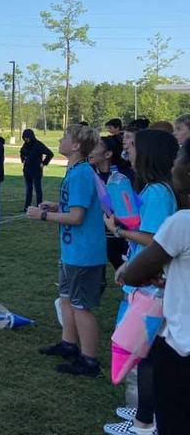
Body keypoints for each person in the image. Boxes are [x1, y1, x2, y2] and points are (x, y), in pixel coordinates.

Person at [102, 130, 178, 435]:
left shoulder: (159, 192)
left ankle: (144, 423)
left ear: (148, 152)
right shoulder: (154, 189)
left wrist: (118, 231)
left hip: (149, 288)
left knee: (144, 355)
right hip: (143, 283)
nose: (127, 151)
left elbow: (153, 240)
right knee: (144, 354)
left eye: (133, 146)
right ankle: (144, 411)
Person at [121, 139, 190, 435]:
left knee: (175, 422)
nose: (174, 165)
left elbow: (134, 273)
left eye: (179, 158)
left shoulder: (183, 222)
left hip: (181, 348)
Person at [26, 124, 105, 376]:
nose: (60, 140)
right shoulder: (75, 171)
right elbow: (73, 206)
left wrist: (42, 216)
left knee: (81, 307)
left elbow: (77, 217)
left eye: (64, 137)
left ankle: (90, 361)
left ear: (76, 146)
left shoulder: (82, 173)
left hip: (84, 253)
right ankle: (68, 345)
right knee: (66, 299)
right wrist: (55, 205)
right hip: (71, 251)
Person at [89, 135, 135, 271]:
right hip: (100, 234)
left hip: (124, 235)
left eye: (94, 147)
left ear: (108, 154)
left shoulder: (126, 176)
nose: (89, 151)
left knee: (129, 272)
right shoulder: (89, 173)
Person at [19, 128, 54, 211]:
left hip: (36, 170)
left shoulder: (38, 145)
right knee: (28, 189)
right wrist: (23, 159)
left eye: (28, 138)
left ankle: (39, 206)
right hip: (27, 170)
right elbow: (21, 152)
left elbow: (50, 154)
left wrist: (44, 163)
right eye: (24, 138)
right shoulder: (25, 145)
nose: (26, 139)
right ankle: (27, 206)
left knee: (38, 189)